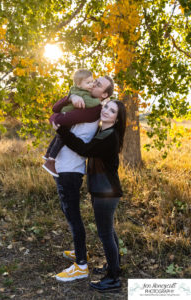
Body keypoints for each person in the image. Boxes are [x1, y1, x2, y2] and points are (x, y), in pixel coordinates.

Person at [54, 99, 126, 293]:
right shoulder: (104, 132)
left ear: (117, 119)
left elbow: (84, 149)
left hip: (106, 192)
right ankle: (115, 267)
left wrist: (62, 131)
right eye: (107, 107)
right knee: (109, 231)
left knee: (105, 234)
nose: (106, 111)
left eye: (112, 111)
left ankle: (113, 279)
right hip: (103, 190)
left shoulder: (109, 136)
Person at [49, 76, 115, 282]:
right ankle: (81, 252)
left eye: (98, 85)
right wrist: (72, 96)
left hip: (71, 168)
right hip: (65, 165)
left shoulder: (93, 109)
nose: (94, 84)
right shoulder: (85, 103)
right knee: (69, 214)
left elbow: (57, 119)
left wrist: (57, 116)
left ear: (104, 94)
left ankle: (81, 266)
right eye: (94, 81)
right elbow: (56, 110)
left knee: (73, 216)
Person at [42, 69, 101, 177]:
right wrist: (100, 101)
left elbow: (55, 111)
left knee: (58, 136)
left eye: (92, 81)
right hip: (67, 116)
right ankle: (50, 160)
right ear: (79, 84)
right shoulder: (85, 95)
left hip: (65, 115)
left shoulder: (75, 89)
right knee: (60, 138)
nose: (92, 85)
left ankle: (48, 154)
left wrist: (70, 98)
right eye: (89, 83)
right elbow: (88, 102)